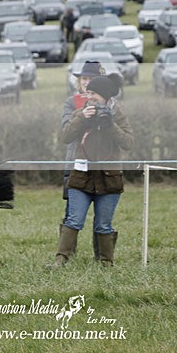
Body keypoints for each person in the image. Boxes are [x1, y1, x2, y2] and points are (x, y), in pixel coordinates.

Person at [52, 73, 133, 268]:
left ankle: (105, 262)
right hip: (81, 177)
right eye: (88, 92)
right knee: (74, 219)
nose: (90, 96)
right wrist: (81, 118)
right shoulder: (81, 112)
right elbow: (65, 137)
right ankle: (61, 260)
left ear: (105, 95)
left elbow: (128, 143)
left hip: (109, 177)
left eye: (93, 93)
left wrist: (110, 124)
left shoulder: (118, 114)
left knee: (103, 223)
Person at [60, 60, 104, 262]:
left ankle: (102, 257)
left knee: (102, 213)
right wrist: (82, 115)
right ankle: (66, 255)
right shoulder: (72, 102)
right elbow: (65, 132)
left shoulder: (109, 102)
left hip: (102, 164)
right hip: (75, 163)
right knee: (72, 212)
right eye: (84, 78)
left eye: (91, 79)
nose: (86, 83)